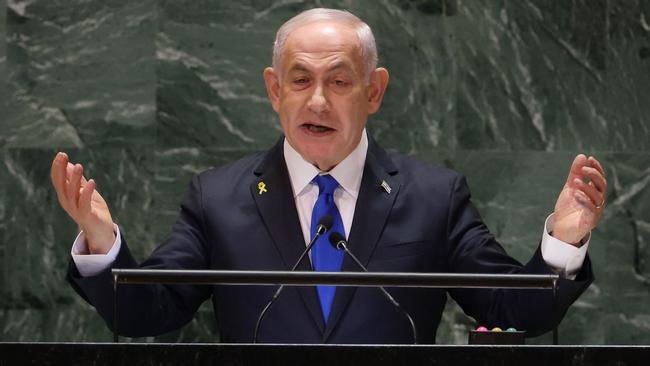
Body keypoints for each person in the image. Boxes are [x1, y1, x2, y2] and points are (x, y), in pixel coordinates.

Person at [50, 8, 606, 344]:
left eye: (339, 82)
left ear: (374, 91)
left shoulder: (434, 196)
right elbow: (148, 312)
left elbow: (514, 308)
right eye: (299, 81)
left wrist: (563, 242)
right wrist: (102, 243)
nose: (317, 101)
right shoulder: (217, 198)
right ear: (274, 90)